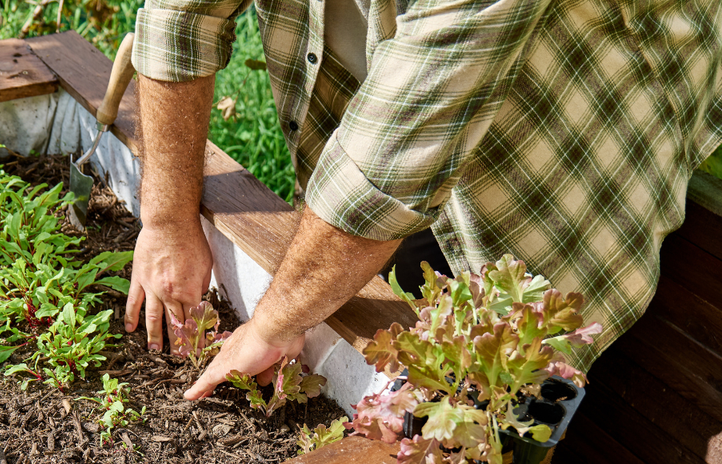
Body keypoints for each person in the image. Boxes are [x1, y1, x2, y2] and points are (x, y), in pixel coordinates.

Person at [123, 0, 722, 401]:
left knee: (503, 385)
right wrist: (169, 218)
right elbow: (182, 14)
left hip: (569, 120)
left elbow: (398, 155)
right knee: (373, 264)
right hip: (410, 80)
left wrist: (275, 321)